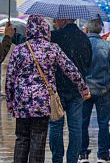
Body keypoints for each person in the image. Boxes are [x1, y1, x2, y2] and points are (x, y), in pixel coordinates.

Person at [5, 15, 90, 163]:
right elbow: (70, 69)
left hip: (21, 102)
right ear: (45, 29)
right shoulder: (52, 48)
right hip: (42, 102)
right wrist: (82, 87)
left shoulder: (19, 50)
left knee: (22, 138)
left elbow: (10, 78)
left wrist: (10, 101)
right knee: (38, 137)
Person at [49, 18, 92, 163]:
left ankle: (57, 159)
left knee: (56, 125)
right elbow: (88, 62)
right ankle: (72, 159)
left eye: (57, 19)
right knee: (75, 127)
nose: (55, 21)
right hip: (77, 90)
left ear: (64, 19)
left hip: (57, 88)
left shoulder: (55, 36)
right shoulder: (84, 38)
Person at [79, 18, 110, 163]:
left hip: (84, 90)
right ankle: (103, 154)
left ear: (88, 29)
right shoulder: (107, 45)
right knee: (104, 123)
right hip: (103, 90)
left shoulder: (81, 45)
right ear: (100, 29)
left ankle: (83, 153)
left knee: (83, 122)